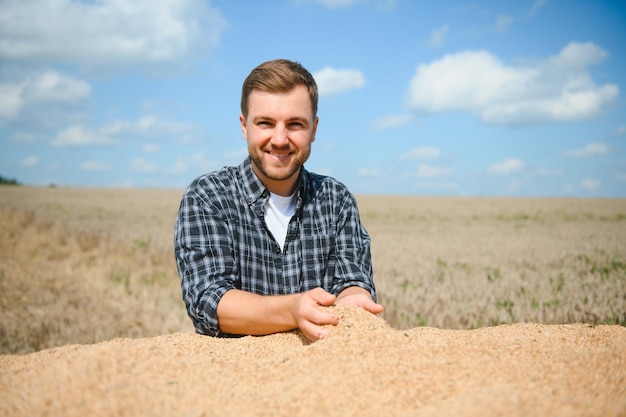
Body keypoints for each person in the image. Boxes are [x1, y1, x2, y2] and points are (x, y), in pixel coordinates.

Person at [174, 59, 383, 342]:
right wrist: (293, 310)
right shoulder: (208, 196)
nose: (281, 139)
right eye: (266, 123)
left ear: (314, 129)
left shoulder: (336, 200)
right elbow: (209, 300)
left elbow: (352, 282)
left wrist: (354, 301)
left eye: (295, 124)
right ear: (244, 126)